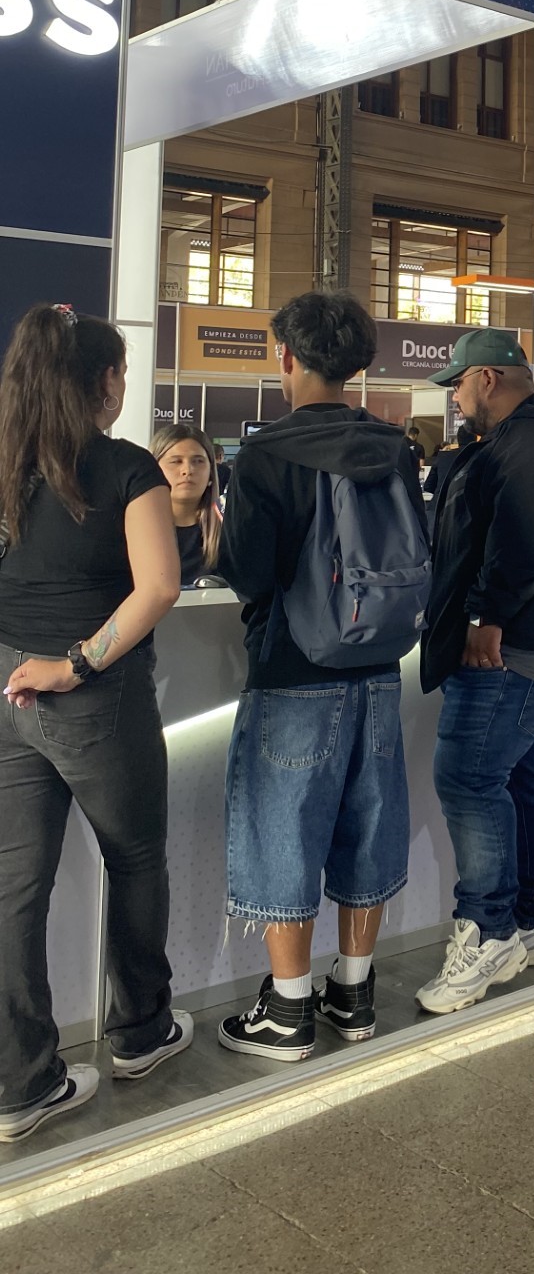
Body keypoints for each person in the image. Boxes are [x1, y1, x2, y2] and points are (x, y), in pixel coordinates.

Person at [216, 292, 426, 1060]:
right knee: (368, 824)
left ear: (287, 357)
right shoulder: (393, 446)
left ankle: (288, 1008)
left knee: (285, 832)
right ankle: (354, 993)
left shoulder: (266, 454)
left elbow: (247, 572)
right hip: (380, 667)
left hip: (293, 669)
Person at [0, 305, 185, 1141]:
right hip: (94, 700)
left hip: (9, 692)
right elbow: (160, 587)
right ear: (102, 381)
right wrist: (75, 664)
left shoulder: (6, 465)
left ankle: (21, 1082)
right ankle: (141, 1033)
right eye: (120, 374)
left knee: (14, 888)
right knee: (136, 860)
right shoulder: (124, 468)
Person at [420, 331, 534, 1012]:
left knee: (468, 775)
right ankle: (533, 920)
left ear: (488, 378)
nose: (454, 398)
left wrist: (485, 616)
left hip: (515, 646)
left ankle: (489, 930)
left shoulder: (530, 440)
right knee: (525, 777)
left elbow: (523, 541)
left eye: (458, 384)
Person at [150, 422, 222, 584]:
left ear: (211, 473)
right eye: (176, 461)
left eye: (198, 461)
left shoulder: (231, 529)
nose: (188, 470)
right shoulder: (131, 529)